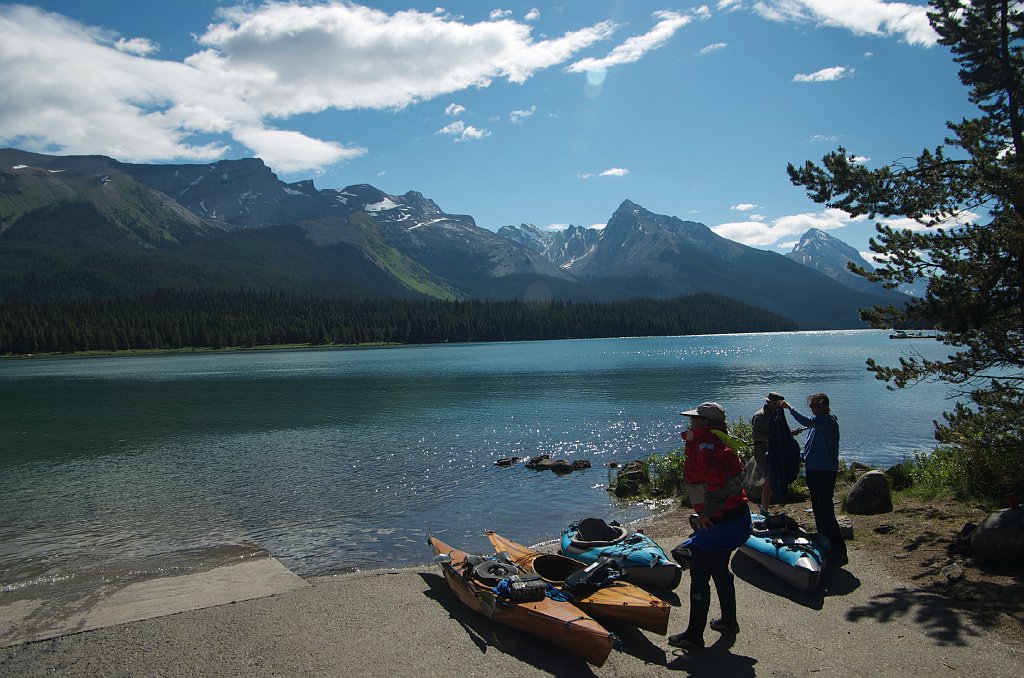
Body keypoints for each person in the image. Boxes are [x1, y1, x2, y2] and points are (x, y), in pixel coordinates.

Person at [668, 402, 752, 650]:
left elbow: (718, 482)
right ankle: (728, 621)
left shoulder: (708, 445)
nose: (691, 422)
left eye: (695, 419)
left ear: (706, 422)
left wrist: (707, 512)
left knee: (700, 574)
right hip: (734, 516)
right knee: (719, 569)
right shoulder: (718, 440)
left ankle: (693, 636)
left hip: (721, 520)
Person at [780, 393, 848, 567]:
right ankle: (825, 543)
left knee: (826, 510)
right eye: (811, 406)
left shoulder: (827, 421)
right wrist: (799, 457)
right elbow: (810, 446)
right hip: (813, 470)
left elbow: (807, 421)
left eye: (815, 406)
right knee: (818, 508)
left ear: (824, 405)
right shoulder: (816, 424)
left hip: (825, 471)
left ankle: (839, 551)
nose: (813, 409)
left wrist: (789, 408)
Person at [750, 392, 785, 512]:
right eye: (776, 403)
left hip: (773, 451)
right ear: (769, 402)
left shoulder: (776, 414)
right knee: (769, 481)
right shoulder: (760, 416)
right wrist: (774, 437)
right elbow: (755, 436)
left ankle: (765, 506)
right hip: (762, 452)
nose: (779, 406)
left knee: (772, 480)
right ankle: (764, 509)